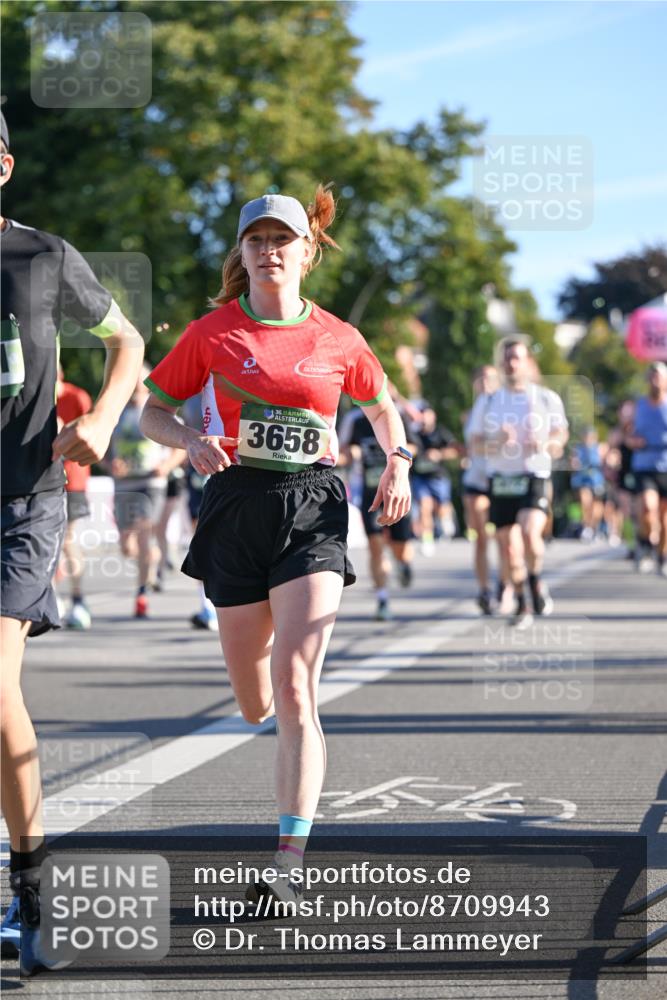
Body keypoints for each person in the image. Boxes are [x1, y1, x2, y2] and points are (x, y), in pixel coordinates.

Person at [139, 188, 412, 908]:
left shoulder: (339, 338)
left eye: (281, 238)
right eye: (255, 239)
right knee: (255, 701)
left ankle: (287, 864)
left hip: (312, 508)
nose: (268, 250)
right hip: (234, 507)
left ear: (306, 250)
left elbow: (381, 404)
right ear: (243, 252)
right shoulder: (211, 333)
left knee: (296, 687)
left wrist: (398, 459)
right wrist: (190, 439)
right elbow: (151, 409)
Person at [0, 111, 144, 974]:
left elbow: (127, 341)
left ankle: (29, 892)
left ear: (5, 165)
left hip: (23, 501)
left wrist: (104, 418)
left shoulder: (44, 256)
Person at [468, 338, 569, 627]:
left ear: (527, 363)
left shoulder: (546, 398)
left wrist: (547, 443)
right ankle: (523, 602)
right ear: (501, 364)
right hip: (500, 480)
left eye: (517, 358)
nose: (512, 363)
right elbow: (474, 445)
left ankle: (535, 579)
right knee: (509, 550)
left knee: (528, 533)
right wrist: (495, 441)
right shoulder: (489, 401)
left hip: (533, 475)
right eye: (507, 358)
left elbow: (561, 437)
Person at [108, 367, 186, 618]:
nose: (135, 386)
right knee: (126, 546)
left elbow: (182, 445)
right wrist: (110, 465)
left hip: (151, 483)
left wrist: (166, 466)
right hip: (123, 484)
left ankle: (141, 594)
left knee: (143, 534)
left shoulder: (158, 411)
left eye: (140, 381)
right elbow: (102, 449)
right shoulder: (115, 413)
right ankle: (152, 557)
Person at [340, 403, 415, 621]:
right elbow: (344, 450)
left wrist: (395, 455)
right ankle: (382, 600)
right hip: (369, 492)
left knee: (400, 547)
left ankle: (403, 563)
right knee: (375, 546)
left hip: (396, 490)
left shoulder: (395, 417)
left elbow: (414, 446)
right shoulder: (355, 421)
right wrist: (349, 453)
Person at [55, 366, 94, 629]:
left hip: (72, 480)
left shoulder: (76, 397)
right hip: (39, 480)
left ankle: (78, 599)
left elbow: (92, 435)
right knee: (45, 540)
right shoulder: (30, 396)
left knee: (66, 538)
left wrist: (62, 437)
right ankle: (51, 596)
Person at [628, 361, 667, 575]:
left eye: (659, 376)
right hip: (644, 465)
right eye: (652, 376)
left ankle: (662, 557)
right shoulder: (638, 406)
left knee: (664, 519)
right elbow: (624, 433)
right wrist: (632, 440)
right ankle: (644, 544)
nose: (655, 380)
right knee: (647, 509)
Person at [410, 403, 460, 554]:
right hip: (420, 477)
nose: (424, 418)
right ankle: (427, 538)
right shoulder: (414, 435)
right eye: (422, 415)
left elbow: (455, 450)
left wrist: (439, 454)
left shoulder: (441, 432)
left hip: (438, 477)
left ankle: (446, 518)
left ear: (434, 417)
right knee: (425, 506)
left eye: (427, 414)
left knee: (441, 506)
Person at [570, 426, 605, 542]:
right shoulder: (578, 449)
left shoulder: (600, 448)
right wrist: (574, 464)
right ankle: (586, 527)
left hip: (596, 480)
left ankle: (594, 527)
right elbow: (573, 463)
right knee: (585, 502)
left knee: (596, 506)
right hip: (582, 479)